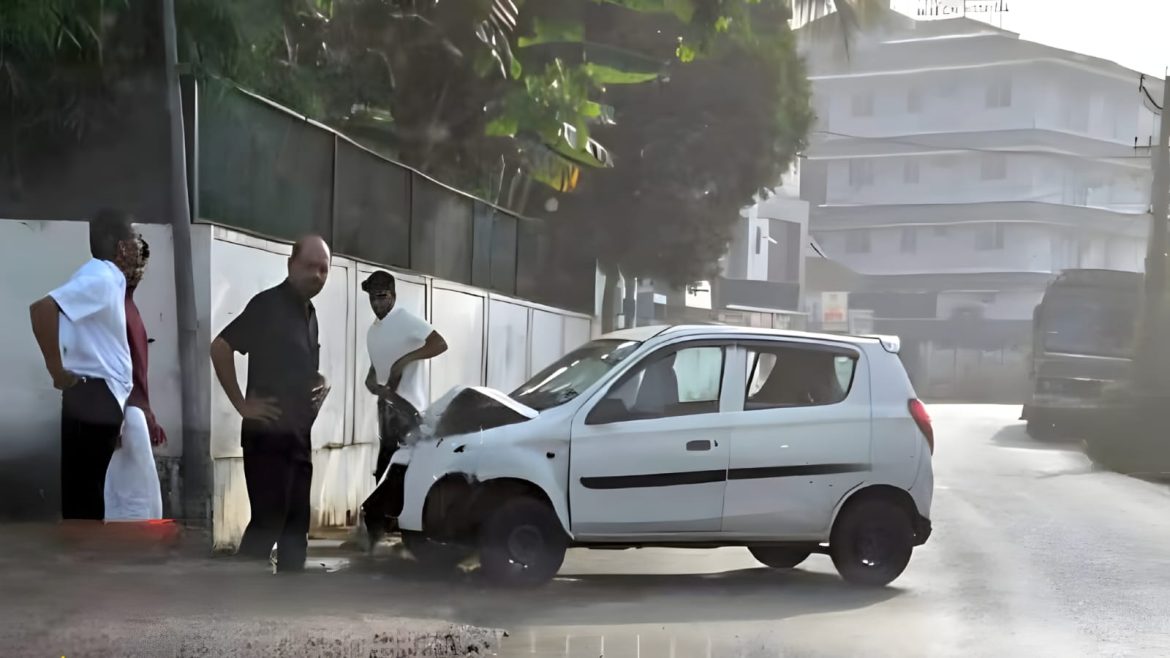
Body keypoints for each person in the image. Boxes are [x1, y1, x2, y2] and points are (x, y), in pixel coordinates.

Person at [209, 235, 332, 572]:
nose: (318, 275)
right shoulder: (267, 306)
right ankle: (235, 609)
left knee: (296, 531)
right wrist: (242, 405)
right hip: (267, 438)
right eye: (310, 267)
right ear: (291, 265)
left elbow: (300, 367)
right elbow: (220, 347)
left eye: (324, 269)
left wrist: (320, 383)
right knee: (268, 523)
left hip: (299, 439)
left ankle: (286, 614)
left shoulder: (310, 313)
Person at [29, 209, 139, 520]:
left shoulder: (107, 279)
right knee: (85, 500)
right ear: (117, 245)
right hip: (93, 395)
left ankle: (83, 562)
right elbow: (41, 310)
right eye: (131, 238)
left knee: (87, 496)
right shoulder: (101, 278)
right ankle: (84, 562)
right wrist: (56, 371)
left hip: (100, 397)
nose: (136, 247)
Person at [362, 270, 447, 481]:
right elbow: (375, 368)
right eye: (372, 297)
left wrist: (404, 361)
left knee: (404, 469)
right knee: (386, 467)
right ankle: (384, 512)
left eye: (382, 296)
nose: (376, 303)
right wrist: (372, 380)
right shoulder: (373, 331)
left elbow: (440, 343)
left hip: (409, 411)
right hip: (386, 407)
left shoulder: (405, 319)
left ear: (393, 295)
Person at [104, 236, 166, 521]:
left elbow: (135, 367)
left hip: (130, 413)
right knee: (129, 496)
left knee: (136, 496)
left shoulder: (127, 306)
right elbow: (117, 366)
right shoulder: (119, 308)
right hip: (124, 413)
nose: (139, 268)